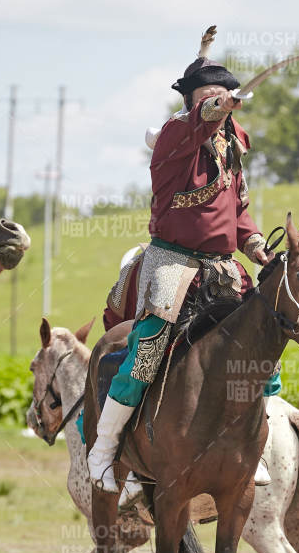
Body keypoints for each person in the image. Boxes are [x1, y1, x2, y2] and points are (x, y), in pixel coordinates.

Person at [88, 28, 275, 503]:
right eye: (208, 97)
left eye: (223, 97)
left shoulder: (231, 149)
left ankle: (253, 447)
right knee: (147, 350)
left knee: (264, 344)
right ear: (191, 102)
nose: (218, 104)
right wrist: (217, 105)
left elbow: (239, 212)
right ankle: (105, 449)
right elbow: (200, 121)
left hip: (223, 266)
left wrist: (254, 244)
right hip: (173, 262)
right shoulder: (174, 136)